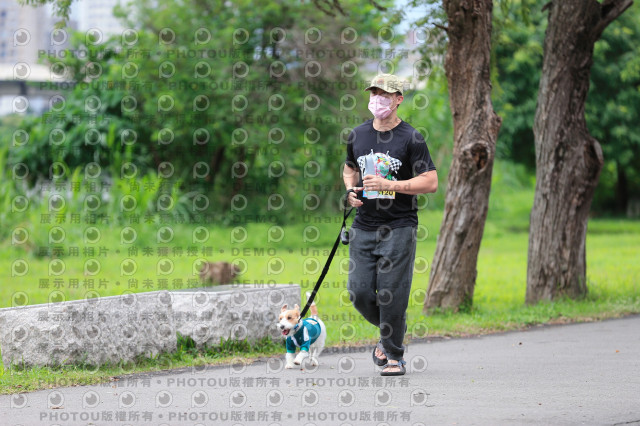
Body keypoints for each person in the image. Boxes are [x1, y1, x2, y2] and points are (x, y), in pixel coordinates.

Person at [343, 73, 438, 376]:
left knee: (391, 294)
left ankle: (394, 356)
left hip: (399, 225)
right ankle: (392, 332)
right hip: (363, 226)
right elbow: (349, 169)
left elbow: (431, 182)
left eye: (385, 94)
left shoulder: (411, 138)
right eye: (374, 93)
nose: (378, 99)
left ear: (398, 99)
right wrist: (350, 191)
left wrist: (389, 185)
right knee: (358, 292)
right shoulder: (358, 135)